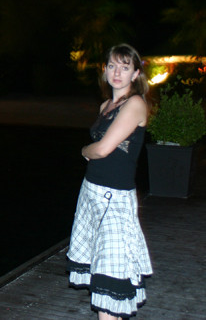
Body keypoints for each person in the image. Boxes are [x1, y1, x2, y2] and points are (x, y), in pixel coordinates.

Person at [67, 44, 153, 319]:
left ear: (135, 74)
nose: (117, 72)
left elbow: (103, 149)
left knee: (109, 286)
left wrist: (84, 151)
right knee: (103, 282)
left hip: (114, 200)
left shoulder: (135, 104)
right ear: (104, 71)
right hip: (91, 194)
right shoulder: (105, 106)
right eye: (112, 66)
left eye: (125, 67)